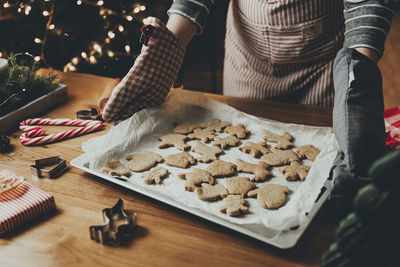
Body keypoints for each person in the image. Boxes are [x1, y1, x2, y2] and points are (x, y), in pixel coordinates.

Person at [99, 0, 399, 217]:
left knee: (326, 172)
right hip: (248, 58)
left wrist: (355, 77)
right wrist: (166, 51)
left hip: (322, 63)